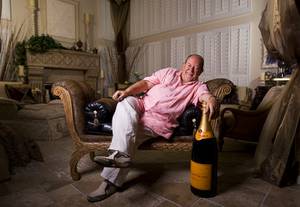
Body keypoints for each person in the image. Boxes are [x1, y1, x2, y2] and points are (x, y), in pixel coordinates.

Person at [87, 54, 219, 202]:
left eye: (196, 68)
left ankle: (109, 181)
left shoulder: (197, 87)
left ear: (201, 72)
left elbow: (205, 96)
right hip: (141, 106)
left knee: (129, 135)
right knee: (125, 102)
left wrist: (212, 99)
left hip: (156, 122)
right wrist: (126, 92)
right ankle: (119, 156)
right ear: (183, 65)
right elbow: (145, 84)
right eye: (189, 65)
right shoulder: (168, 72)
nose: (191, 69)